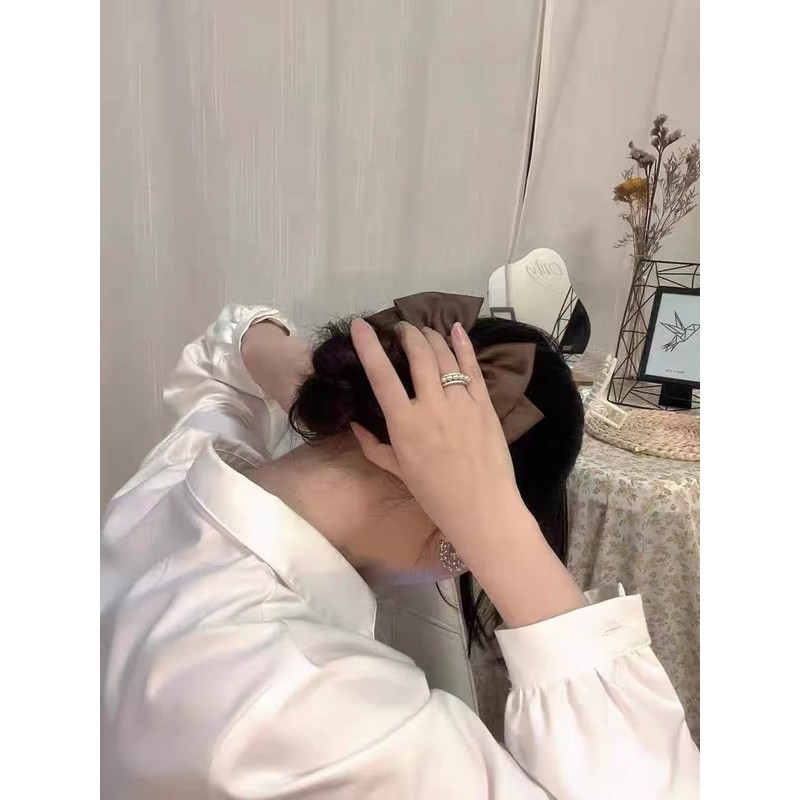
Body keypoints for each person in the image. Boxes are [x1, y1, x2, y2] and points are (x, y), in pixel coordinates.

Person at [101, 296, 700, 799]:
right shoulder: (315, 705)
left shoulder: (174, 478)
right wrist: (501, 531)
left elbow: (232, 341)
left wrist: (311, 377)